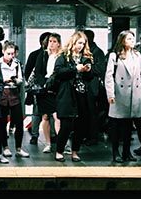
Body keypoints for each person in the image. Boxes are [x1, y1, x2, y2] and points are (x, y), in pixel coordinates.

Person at [53, 31, 94, 163]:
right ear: (73, 42)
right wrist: (76, 69)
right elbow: (59, 72)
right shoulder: (64, 57)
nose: (81, 46)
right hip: (66, 94)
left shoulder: (85, 58)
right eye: (79, 43)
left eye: (83, 43)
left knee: (80, 125)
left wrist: (88, 70)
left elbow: (90, 77)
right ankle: (59, 151)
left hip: (81, 94)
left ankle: (75, 151)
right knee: (66, 125)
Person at [104, 30, 141, 163]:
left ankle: (127, 152)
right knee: (116, 125)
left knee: (128, 126)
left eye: (133, 39)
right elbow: (109, 77)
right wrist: (110, 94)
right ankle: (116, 153)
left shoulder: (137, 55)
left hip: (134, 94)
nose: (132, 41)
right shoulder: (114, 56)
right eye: (128, 39)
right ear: (122, 41)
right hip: (119, 94)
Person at [0, 41, 28, 157]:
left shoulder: (17, 63)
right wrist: (4, 80)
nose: (11, 56)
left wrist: (15, 80)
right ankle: (5, 146)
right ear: (3, 52)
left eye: (12, 53)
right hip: (3, 92)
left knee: (19, 122)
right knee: (2, 122)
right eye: (8, 53)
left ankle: (19, 148)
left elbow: (21, 79)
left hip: (14, 91)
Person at [34, 33, 62, 153]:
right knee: (45, 116)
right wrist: (44, 84)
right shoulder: (43, 54)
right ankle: (48, 143)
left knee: (57, 116)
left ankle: (62, 143)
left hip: (56, 88)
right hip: (44, 88)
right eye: (50, 41)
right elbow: (38, 72)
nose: (51, 43)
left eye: (54, 41)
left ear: (59, 43)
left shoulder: (62, 56)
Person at [24, 32, 51, 145]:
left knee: (42, 112)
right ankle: (35, 134)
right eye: (48, 41)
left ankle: (39, 135)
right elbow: (28, 72)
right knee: (38, 112)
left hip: (44, 87)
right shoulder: (36, 55)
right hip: (39, 88)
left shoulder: (35, 54)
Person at [83, 29, 107, 146]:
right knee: (85, 112)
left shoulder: (97, 52)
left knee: (92, 112)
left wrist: (87, 69)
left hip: (92, 87)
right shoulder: (88, 51)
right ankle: (86, 135)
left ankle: (92, 137)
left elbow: (100, 69)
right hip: (87, 86)